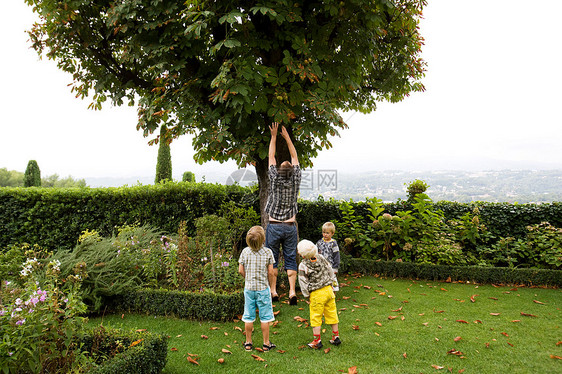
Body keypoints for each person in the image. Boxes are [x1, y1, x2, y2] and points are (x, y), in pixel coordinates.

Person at [265, 122, 301, 305]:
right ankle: (292, 292)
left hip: (273, 226)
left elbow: (271, 155)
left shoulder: (274, 178)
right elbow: (294, 155)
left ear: (280, 170)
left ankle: (273, 291)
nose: (286, 160)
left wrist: (274, 136)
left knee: (272, 258)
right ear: (291, 170)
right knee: (290, 258)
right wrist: (287, 137)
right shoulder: (296, 179)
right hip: (289, 226)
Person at [297, 239, 341, 349]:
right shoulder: (321, 258)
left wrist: (307, 295)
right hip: (328, 290)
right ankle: (336, 337)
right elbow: (330, 270)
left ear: (301, 254)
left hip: (317, 294)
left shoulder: (303, 265)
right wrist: (333, 284)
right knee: (331, 313)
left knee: (316, 316)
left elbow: (303, 282)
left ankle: (317, 341)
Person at [238, 226, 277, 352]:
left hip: (249, 289)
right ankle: (266, 343)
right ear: (263, 239)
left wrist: (247, 278)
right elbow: (271, 272)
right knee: (265, 317)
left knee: (248, 316)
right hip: (263, 289)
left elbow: (240, 270)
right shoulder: (268, 252)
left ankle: (248, 343)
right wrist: (271, 287)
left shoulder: (245, 252)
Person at [316, 222, 341, 291]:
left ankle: (334, 292)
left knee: (332, 279)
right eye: (324, 232)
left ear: (332, 233)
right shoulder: (319, 242)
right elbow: (315, 252)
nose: (325, 235)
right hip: (321, 265)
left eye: (327, 233)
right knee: (321, 279)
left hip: (331, 266)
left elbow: (336, 255)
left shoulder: (333, 243)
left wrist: (335, 267)